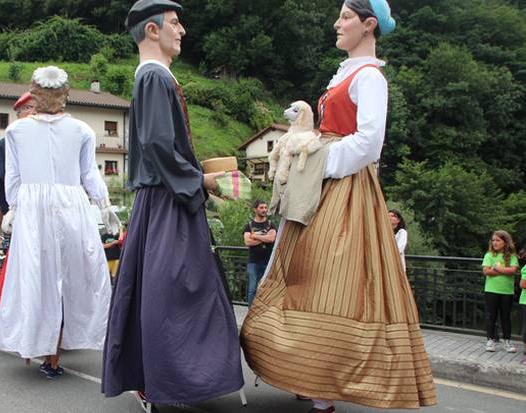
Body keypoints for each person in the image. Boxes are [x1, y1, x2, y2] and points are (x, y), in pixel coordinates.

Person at [240, 1, 436, 411]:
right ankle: (304, 371)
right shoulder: (347, 74)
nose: (337, 23)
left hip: (345, 188)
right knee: (302, 273)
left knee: (332, 278)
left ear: (368, 26)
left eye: (346, 17)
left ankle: (324, 384)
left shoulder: (370, 77)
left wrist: (319, 161)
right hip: (323, 185)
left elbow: (368, 143)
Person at [102, 1, 244, 407]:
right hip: (167, 203)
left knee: (163, 291)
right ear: (152, 31)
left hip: (164, 199)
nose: (181, 31)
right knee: (173, 293)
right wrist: (203, 180)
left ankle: (163, 378)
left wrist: (199, 177)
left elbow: (161, 149)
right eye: (175, 23)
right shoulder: (154, 78)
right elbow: (159, 147)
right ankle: (165, 379)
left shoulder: (155, 78)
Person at [0, 66, 112, 379]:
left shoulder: (72, 131)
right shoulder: (23, 132)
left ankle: (48, 347)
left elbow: (16, 179)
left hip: (49, 209)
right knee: (50, 277)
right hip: (57, 208)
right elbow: (87, 175)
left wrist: (103, 202)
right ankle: (44, 346)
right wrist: (103, 204)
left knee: (48, 277)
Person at [0, 92, 37, 215]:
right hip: (19, 209)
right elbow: (1, 184)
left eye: (38, 108)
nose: (33, 112)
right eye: (27, 108)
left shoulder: (51, 143)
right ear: (18, 115)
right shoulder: (3, 146)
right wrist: (9, 212)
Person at [481, 230, 519, 353]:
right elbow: (486, 271)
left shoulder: (512, 256)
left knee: (506, 317)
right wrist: (503, 270)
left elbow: (513, 271)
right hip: (491, 290)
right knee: (491, 316)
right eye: (493, 240)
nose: (495, 243)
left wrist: (496, 268)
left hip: (507, 291)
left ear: (505, 242)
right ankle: (490, 340)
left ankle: (507, 341)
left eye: (498, 240)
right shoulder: (489, 255)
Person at [243, 200, 276, 305]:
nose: (264, 210)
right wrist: (264, 237)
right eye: (261, 208)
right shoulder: (249, 225)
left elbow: (272, 239)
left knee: (266, 289)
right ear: (255, 209)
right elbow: (248, 242)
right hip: (253, 262)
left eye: (265, 208)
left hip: (268, 262)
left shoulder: (271, 224)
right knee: (252, 289)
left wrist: (256, 236)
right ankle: (251, 312)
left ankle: (263, 313)